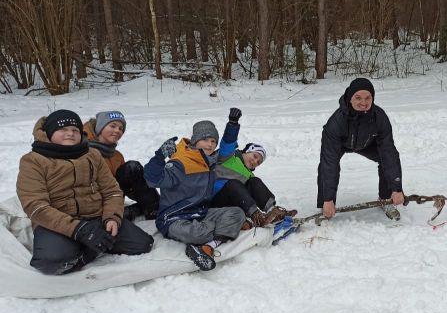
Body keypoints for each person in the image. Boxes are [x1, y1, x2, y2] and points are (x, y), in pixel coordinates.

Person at [16, 109, 153, 275]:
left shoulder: (92, 155)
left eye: (75, 130)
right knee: (50, 263)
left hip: (96, 217)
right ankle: (84, 248)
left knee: (143, 244)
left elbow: (112, 191)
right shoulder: (33, 161)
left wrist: (112, 218)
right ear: (49, 133)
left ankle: (88, 248)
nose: (70, 133)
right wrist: (79, 230)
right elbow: (35, 206)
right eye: (63, 129)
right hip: (58, 224)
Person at [144, 117, 246, 271]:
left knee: (237, 213)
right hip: (173, 219)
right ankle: (216, 235)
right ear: (195, 140)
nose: (210, 144)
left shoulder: (209, 161)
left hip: (200, 213)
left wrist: (232, 126)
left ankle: (208, 246)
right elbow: (152, 180)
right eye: (205, 140)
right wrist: (159, 157)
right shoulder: (180, 163)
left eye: (213, 141)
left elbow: (226, 150)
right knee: (200, 233)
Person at [317, 77, 404, 220]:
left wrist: (397, 188)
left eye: (367, 98)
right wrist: (327, 199)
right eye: (358, 98)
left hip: (367, 144)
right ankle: (326, 206)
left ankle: (385, 198)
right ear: (350, 98)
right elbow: (329, 163)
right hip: (342, 144)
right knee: (325, 165)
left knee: (385, 158)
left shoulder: (379, 117)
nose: (363, 103)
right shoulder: (336, 122)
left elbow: (389, 153)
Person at [210, 107, 296, 226]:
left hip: (235, 203)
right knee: (233, 184)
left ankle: (272, 211)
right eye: (255, 156)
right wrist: (233, 124)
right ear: (246, 151)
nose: (255, 161)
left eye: (258, 162)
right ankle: (256, 216)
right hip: (216, 200)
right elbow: (228, 142)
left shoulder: (250, 175)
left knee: (255, 181)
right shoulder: (229, 157)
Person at [83, 110, 160, 221]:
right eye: (113, 126)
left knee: (132, 168)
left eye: (120, 129)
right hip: (91, 205)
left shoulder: (116, 155)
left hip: (113, 198)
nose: (117, 131)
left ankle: (154, 208)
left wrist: (147, 199)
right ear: (100, 127)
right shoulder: (83, 151)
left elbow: (129, 186)